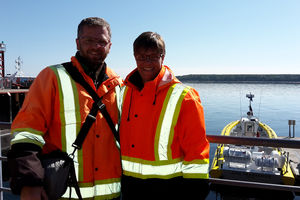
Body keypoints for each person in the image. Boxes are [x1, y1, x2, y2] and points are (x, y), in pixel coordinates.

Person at [8, 17, 123, 200]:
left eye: (101, 41)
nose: (95, 46)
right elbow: (26, 134)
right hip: (64, 192)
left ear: (110, 45)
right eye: (88, 41)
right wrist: (30, 183)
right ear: (77, 43)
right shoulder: (52, 77)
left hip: (111, 194)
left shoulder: (117, 84)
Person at [119, 31, 210, 199]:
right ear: (134, 56)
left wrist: (195, 189)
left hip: (169, 188)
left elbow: (196, 148)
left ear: (163, 56)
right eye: (141, 57)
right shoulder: (124, 92)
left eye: (153, 56)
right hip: (130, 187)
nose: (147, 62)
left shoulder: (184, 96)